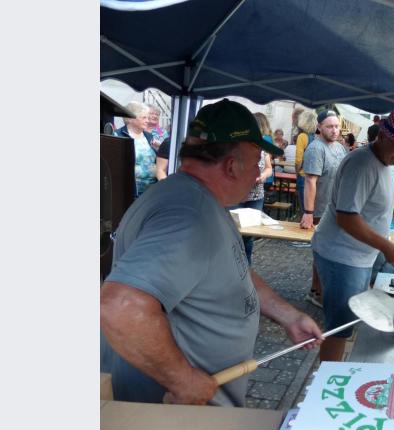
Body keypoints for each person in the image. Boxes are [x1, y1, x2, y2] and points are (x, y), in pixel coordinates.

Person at [100, 99, 323, 407]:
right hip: (166, 418)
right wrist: (182, 379)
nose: (259, 171)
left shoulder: (195, 199)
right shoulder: (189, 214)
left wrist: (289, 315)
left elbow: (232, 269)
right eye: (257, 161)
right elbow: (120, 305)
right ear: (232, 166)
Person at [312, 109, 394, 362]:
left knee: (347, 321)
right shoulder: (362, 163)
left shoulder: (382, 161)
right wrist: (387, 247)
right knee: (339, 328)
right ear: (381, 135)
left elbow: (374, 195)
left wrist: (392, 210)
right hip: (342, 256)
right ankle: (327, 381)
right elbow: (346, 217)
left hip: (358, 256)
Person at [300, 110, 348, 308]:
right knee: (322, 253)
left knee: (331, 253)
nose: (335, 130)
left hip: (336, 209)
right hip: (320, 211)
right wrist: (309, 213)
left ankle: (319, 290)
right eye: (330, 126)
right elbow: (310, 181)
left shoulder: (339, 147)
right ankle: (317, 292)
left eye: (337, 126)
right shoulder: (315, 148)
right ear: (319, 127)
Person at [231, 112, 281, 265]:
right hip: (236, 196)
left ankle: (247, 270)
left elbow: (268, 168)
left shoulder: (263, 148)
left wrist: (263, 176)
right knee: (233, 234)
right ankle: (231, 269)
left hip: (256, 196)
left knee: (249, 235)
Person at [116, 101, 157, 197]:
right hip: (130, 193)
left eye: (148, 117)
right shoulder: (118, 136)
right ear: (130, 119)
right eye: (144, 117)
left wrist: (159, 149)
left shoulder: (149, 136)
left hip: (151, 191)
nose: (148, 120)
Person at [294, 109, 318, 216]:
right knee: (313, 209)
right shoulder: (317, 137)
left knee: (305, 210)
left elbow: (298, 160)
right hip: (316, 176)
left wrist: (297, 171)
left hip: (304, 175)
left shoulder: (302, 136)